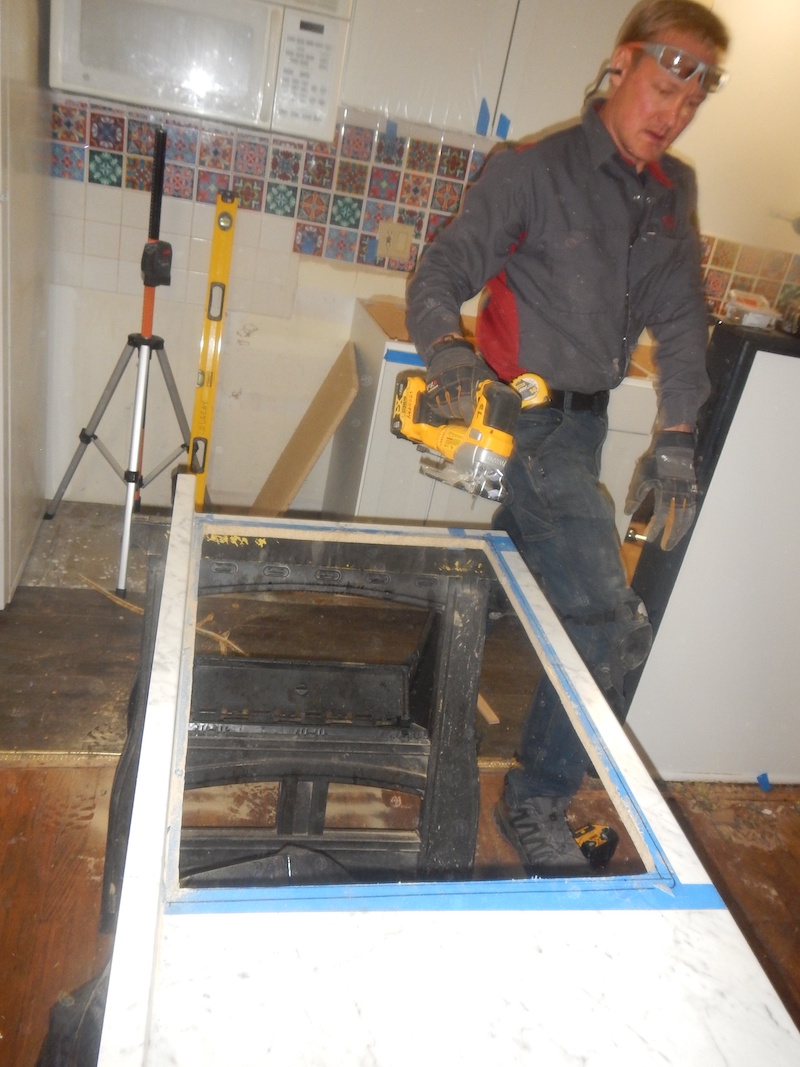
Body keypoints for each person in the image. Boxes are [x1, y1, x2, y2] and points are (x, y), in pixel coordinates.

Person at [405, 0, 730, 876]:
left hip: (584, 427)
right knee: (603, 618)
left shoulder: (670, 193)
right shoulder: (534, 170)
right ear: (621, 67)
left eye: (690, 103)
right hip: (527, 419)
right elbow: (442, 267)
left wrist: (674, 433)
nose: (673, 115)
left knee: (506, 582)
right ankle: (535, 799)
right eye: (663, 89)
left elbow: (683, 320)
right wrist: (446, 348)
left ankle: (415, 707)